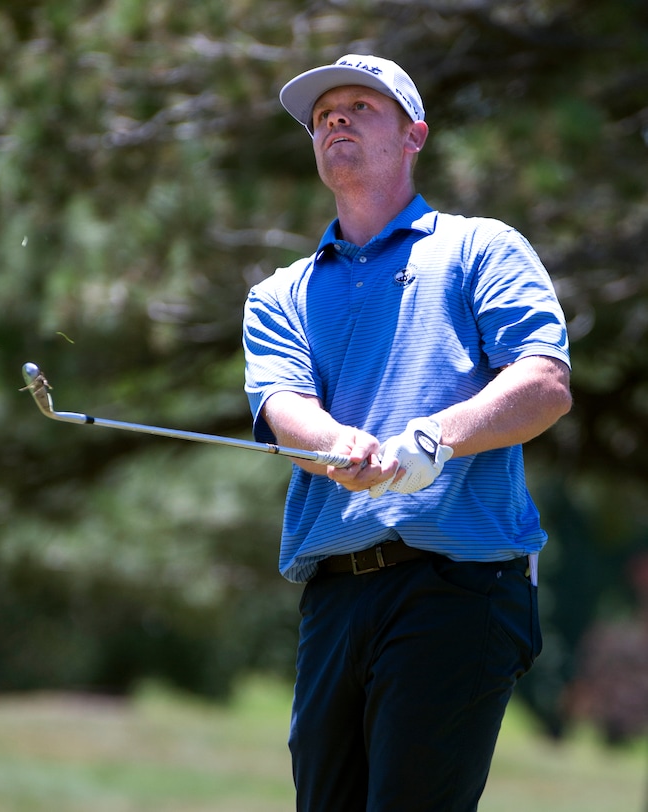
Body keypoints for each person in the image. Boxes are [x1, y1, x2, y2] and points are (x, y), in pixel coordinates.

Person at [242, 53, 572, 812]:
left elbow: (543, 384)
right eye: (325, 114)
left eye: (361, 106)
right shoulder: (278, 293)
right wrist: (334, 446)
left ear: (414, 134)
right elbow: (283, 405)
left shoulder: (480, 247)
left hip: (458, 585)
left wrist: (435, 440)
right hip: (333, 598)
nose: (337, 120)